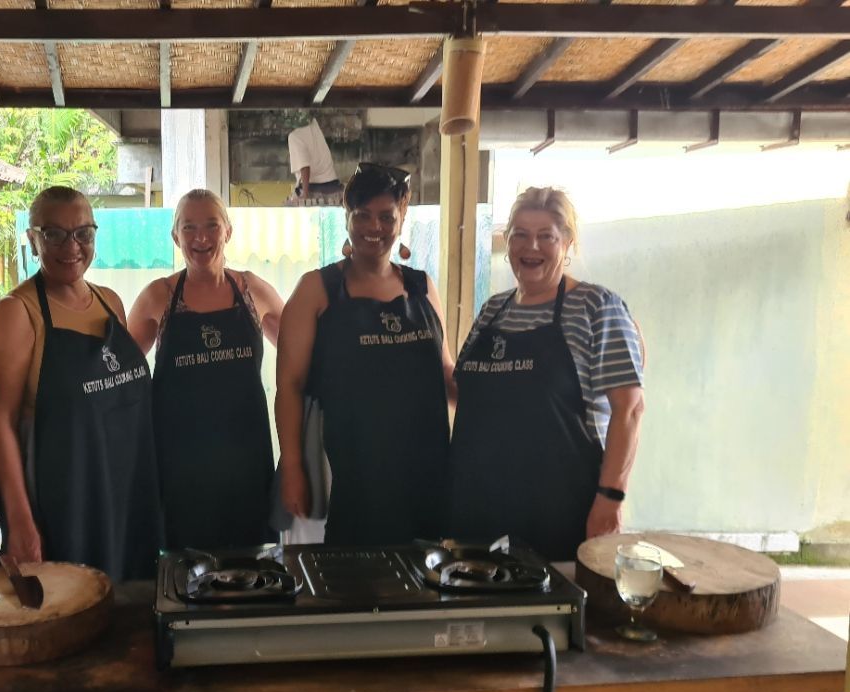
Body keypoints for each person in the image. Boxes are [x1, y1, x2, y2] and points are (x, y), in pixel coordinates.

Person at [447, 186, 645, 562]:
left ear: (567, 243)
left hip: (558, 513)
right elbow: (467, 392)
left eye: (546, 237)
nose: (531, 247)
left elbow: (630, 410)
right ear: (508, 243)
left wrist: (611, 497)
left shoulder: (596, 307)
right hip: (477, 510)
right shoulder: (493, 310)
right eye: (520, 235)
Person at [0, 186, 162, 580]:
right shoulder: (17, 314)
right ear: (32, 239)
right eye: (54, 234)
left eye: (83, 233)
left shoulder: (110, 302)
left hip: (129, 497)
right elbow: (0, 424)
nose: (72, 246)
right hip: (69, 508)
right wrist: (20, 522)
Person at [276, 164, 456, 545]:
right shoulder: (316, 289)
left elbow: (446, 374)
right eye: (362, 215)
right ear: (347, 218)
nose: (374, 227)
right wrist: (292, 466)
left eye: (386, 216)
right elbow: (289, 386)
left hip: (427, 472)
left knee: (425, 588)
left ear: (402, 217)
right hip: (354, 477)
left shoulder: (422, 286)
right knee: (355, 587)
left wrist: (502, 392)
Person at [127, 189, 284, 550]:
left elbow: (302, 352)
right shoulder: (158, 296)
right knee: (187, 574)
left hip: (247, 463)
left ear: (228, 231)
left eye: (212, 225)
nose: (201, 237)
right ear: (175, 235)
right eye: (189, 227)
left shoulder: (251, 290)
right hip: (182, 469)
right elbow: (121, 377)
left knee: (254, 572)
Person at [287, 117, 342, 204]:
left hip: (314, 190)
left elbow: (305, 167)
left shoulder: (294, 136)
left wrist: (305, 195)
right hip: (333, 187)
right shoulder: (313, 125)